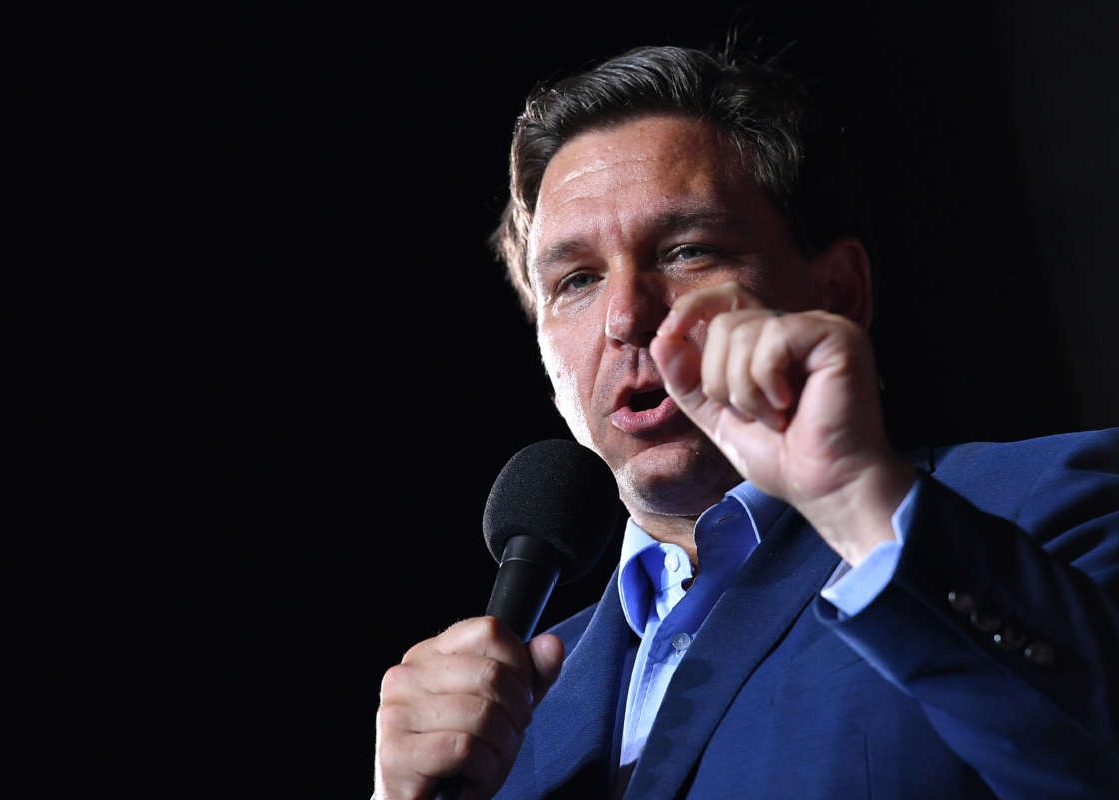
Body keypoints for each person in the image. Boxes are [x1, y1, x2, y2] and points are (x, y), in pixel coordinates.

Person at [373, 45, 1119, 799]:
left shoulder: (1047, 507)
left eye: (688, 250)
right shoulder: (499, 718)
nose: (627, 317)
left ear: (839, 293)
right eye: (577, 281)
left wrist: (857, 502)